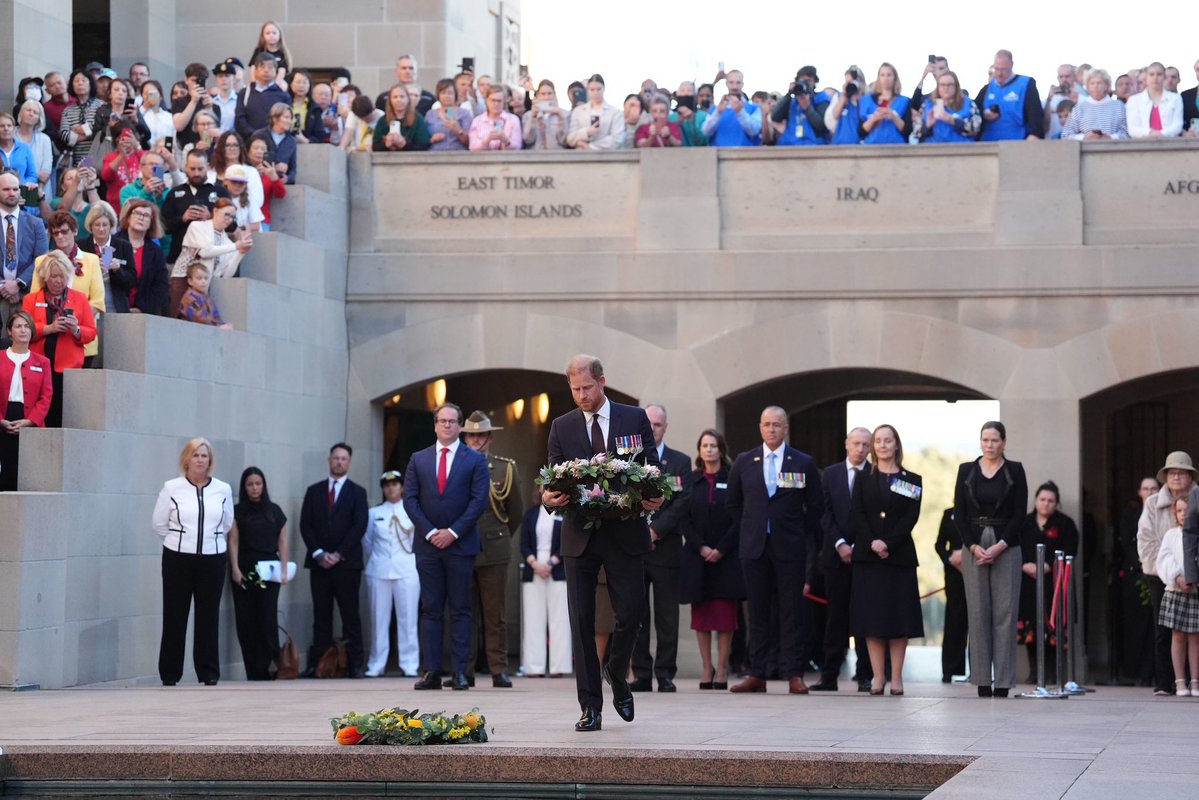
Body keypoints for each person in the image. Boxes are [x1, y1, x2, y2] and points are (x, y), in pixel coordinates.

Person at [542, 355, 662, 732]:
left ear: (602, 381)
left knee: (632, 613)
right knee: (581, 622)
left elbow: (651, 466)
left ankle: (616, 670)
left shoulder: (633, 418)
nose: (581, 396)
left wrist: (654, 495)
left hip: (625, 531)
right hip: (579, 535)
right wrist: (548, 499)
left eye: (587, 388)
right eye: (575, 390)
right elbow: (552, 476)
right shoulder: (561, 426)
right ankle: (590, 706)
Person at [726, 406, 824, 695]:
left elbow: (816, 506)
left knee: (792, 612)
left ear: (786, 429)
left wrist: (794, 529)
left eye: (777, 425)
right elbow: (732, 505)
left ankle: (794, 673)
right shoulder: (745, 462)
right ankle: (757, 672)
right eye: (767, 424)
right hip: (754, 547)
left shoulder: (802, 462)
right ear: (760, 427)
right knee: (757, 612)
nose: (771, 429)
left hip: (789, 547)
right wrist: (752, 526)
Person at [403, 403, 490, 691]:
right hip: (428, 547)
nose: (447, 426)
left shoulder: (474, 460)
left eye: (453, 421)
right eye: (442, 421)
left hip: (460, 545)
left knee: (461, 609)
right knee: (431, 609)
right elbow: (410, 500)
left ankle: (460, 673)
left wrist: (452, 532)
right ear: (435, 425)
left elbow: (478, 502)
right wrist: (430, 532)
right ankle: (431, 672)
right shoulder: (418, 459)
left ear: (460, 425)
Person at [954, 420, 1028, 697]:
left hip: (1005, 544)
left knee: (1005, 613)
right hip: (973, 542)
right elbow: (959, 513)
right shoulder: (966, 470)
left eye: (994, 440)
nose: (989, 445)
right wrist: (972, 546)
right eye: (985, 440)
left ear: (1004, 442)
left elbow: (1020, 513)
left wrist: (1000, 546)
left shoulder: (1015, 471)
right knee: (978, 611)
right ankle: (983, 679)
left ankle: (1004, 682)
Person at [151, 437, 234, 686]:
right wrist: (181, 542)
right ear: (186, 459)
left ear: (210, 461)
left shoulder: (223, 489)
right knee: (175, 614)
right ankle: (170, 673)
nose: (200, 460)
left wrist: (210, 541)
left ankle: (208, 673)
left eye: (204, 455)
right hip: (178, 558)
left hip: (213, 558)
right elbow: (159, 524)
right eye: (196, 455)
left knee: (208, 616)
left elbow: (227, 522)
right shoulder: (172, 488)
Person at [849, 425, 923, 696]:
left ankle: (896, 678)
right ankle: (878, 677)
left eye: (887, 441)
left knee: (898, 618)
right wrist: (873, 542)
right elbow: (857, 514)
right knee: (873, 620)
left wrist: (888, 543)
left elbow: (910, 517)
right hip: (869, 559)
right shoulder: (863, 478)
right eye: (877, 441)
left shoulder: (911, 480)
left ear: (896, 445)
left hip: (898, 557)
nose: (882, 445)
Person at [456, 410, 522, 687]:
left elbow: (515, 511)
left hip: (494, 547)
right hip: (461, 546)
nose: (475, 440)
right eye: (471, 435)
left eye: (480, 435)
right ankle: (465, 669)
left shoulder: (505, 468)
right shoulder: (454, 465)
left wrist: (499, 537)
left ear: (489, 438)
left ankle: (498, 669)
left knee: (496, 614)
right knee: (464, 611)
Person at [630, 404, 691, 693]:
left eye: (657, 424)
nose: (653, 428)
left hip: (665, 549)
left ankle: (665, 673)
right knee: (636, 614)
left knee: (667, 616)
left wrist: (655, 530)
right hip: (636, 549)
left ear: (665, 427)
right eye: (648, 423)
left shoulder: (680, 462)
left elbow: (682, 503)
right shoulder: (629, 460)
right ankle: (641, 672)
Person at [678, 428, 743, 691]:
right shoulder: (691, 480)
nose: (709, 450)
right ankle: (707, 668)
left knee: (725, 618)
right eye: (704, 445)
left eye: (713, 445)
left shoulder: (732, 478)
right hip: (698, 558)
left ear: (721, 449)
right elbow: (684, 517)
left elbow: (739, 516)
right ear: (699, 450)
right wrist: (702, 547)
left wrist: (722, 548)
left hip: (726, 559)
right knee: (703, 618)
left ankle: (723, 667)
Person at [299, 443, 370, 679]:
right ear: (329, 461)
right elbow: (305, 526)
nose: (339, 462)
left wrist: (339, 553)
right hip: (319, 564)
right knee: (321, 615)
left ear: (349, 463)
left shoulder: (358, 493)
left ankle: (355, 664)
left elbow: (359, 526)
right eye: (336, 458)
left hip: (347, 564)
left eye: (344, 459)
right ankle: (318, 664)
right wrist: (319, 553)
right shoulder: (314, 491)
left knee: (350, 615)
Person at [812, 427, 873, 692]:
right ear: (847, 444)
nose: (860, 449)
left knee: (864, 616)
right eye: (856, 443)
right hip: (835, 557)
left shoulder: (875, 474)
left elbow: (874, 517)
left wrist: (858, 546)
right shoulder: (830, 474)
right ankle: (829, 675)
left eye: (865, 445)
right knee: (835, 617)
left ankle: (865, 675)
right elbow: (823, 512)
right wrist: (840, 544)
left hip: (865, 557)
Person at [1137, 451, 1195, 696]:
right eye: (1172, 473)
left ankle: (1195, 681)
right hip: (1161, 577)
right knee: (1164, 630)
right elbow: (1146, 541)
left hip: (1196, 578)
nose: (1177, 477)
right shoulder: (1153, 503)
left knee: (1195, 631)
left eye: (1182, 472)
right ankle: (1166, 682)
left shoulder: (1198, 499)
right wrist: (1170, 575)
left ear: (1191, 476)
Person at [22, 251, 96, 427]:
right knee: (38, 415)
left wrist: (76, 329)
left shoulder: (79, 298)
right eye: (54, 276)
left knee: (61, 415)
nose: (58, 281)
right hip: (38, 365)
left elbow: (91, 332)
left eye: (62, 276)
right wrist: (49, 328)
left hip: (68, 369)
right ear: (44, 277)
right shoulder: (31, 299)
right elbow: (23, 329)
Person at [228, 466, 288, 680]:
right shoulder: (237, 511)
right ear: (245, 487)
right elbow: (233, 541)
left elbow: (282, 541)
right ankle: (253, 670)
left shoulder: (274, 511)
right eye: (250, 484)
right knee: (246, 620)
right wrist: (234, 568)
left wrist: (283, 569)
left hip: (269, 570)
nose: (255, 488)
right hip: (244, 569)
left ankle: (272, 664)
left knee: (267, 618)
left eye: (258, 483)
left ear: (264, 485)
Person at [1018, 480, 1080, 682]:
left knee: (1054, 627)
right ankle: (1034, 672)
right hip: (1027, 583)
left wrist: (1049, 565)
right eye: (1042, 499)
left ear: (1057, 503)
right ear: (1036, 500)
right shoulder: (1024, 523)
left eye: (1051, 501)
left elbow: (1071, 549)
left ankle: (1054, 674)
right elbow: (1014, 547)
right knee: (1031, 628)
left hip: (1055, 584)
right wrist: (1024, 565)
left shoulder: (1066, 524)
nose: (1046, 504)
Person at [363, 470, 420, 678]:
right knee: (378, 620)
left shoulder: (412, 511)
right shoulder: (374, 513)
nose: (391, 488)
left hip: (406, 569)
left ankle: (410, 663)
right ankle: (376, 664)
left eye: (395, 484)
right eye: (387, 485)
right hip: (379, 569)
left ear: (402, 487)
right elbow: (368, 542)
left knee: (408, 619)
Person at [32, 211, 105, 365]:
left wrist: (74, 322)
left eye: (64, 231)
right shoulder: (42, 261)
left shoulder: (91, 260)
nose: (59, 236)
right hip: (48, 336)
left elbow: (98, 302)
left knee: (79, 387)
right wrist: (52, 325)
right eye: (55, 233)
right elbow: (34, 299)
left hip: (80, 336)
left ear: (75, 231)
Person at [521, 486, 571, 678]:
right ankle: (534, 667)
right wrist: (535, 564)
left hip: (557, 567)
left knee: (560, 619)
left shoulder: (564, 514)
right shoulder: (531, 514)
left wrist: (551, 563)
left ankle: (559, 666)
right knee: (533, 618)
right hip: (533, 567)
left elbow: (568, 540)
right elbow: (523, 543)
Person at [0, 311, 52, 491]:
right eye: (18, 326)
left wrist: (30, 421)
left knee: (24, 475)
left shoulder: (43, 362)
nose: (23, 330)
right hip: (3, 417)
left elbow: (46, 396)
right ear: (9, 331)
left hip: (29, 419)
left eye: (27, 326)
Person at [172, 197, 252, 311]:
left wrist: (240, 253)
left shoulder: (227, 242)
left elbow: (226, 274)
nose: (229, 219)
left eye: (232, 217)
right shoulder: (197, 226)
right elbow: (205, 252)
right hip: (183, 279)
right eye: (226, 214)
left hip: (203, 285)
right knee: (177, 319)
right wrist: (236, 246)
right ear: (215, 211)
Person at [160, 149, 217, 305]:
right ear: (185, 167)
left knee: (204, 307)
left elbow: (232, 224)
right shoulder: (175, 193)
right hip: (178, 257)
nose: (197, 173)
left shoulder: (218, 191)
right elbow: (162, 227)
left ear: (208, 167)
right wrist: (183, 218)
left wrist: (210, 217)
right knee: (176, 305)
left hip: (209, 261)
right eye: (192, 169)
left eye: (200, 169)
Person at [1156, 497, 1199, 696]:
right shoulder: (1171, 535)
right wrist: (1177, 576)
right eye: (1180, 511)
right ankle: (1180, 681)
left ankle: (1195, 681)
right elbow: (1164, 558)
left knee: (1195, 637)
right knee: (1178, 636)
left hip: (1195, 592)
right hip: (1176, 590)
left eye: (1188, 511)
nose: (1184, 514)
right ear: (1175, 513)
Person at [1, 172, 49, 331]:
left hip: (25, 296)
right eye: (6, 189)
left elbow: (42, 258)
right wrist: (3, 286)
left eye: (15, 189)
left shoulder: (36, 224)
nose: (11, 193)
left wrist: (18, 284)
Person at [115, 199, 169, 316]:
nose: (141, 218)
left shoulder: (156, 251)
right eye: (137, 213)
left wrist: (142, 308)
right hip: (113, 309)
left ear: (151, 222)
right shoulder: (112, 243)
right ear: (128, 217)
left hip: (142, 314)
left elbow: (161, 285)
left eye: (146, 216)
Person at [976, 50, 1044, 140]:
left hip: (1017, 143)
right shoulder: (986, 89)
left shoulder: (1026, 84)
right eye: (996, 69)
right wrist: (984, 114)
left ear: (1011, 65)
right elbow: (973, 113)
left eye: (1003, 69)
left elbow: (1036, 115)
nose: (999, 74)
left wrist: (1034, 135)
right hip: (989, 143)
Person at [935, 507, 968, 683]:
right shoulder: (949, 514)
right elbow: (939, 544)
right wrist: (950, 558)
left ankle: (979, 671)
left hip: (977, 570)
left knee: (978, 623)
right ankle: (950, 670)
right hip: (955, 576)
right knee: (954, 621)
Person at [234, 53, 291, 142]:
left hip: (275, 142)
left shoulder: (283, 96)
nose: (266, 70)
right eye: (262, 67)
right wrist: (254, 135)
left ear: (276, 71)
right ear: (255, 70)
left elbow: (286, 121)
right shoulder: (245, 93)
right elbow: (240, 118)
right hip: (249, 142)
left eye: (270, 67)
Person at [914, 71, 981, 144]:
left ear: (956, 86)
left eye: (949, 85)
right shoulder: (927, 105)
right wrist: (928, 125)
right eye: (942, 85)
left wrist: (952, 120)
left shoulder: (968, 103)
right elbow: (916, 133)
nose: (946, 88)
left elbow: (976, 128)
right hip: (933, 150)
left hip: (961, 149)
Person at [1060, 69, 1129, 141]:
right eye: (1092, 83)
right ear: (1087, 87)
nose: (1095, 86)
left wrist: (1110, 137)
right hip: (1086, 149)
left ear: (1106, 85)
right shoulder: (1079, 108)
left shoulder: (1118, 106)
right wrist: (1084, 137)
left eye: (1099, 83)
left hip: (1113, 149)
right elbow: (1066, 135)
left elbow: (1126, 133)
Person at [704, 69, 763, 147]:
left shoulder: (753, 108)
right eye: (731, 82)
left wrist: (740, 112)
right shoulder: (715, 109)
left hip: (745, 155)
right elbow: (706, 131)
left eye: (738, 83)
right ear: (727, 84)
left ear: (742, 84)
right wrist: (717, 113)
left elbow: (754, 130)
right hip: (719, 155)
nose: (734, 86)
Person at [57, 70, 103, 167]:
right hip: (76, 158)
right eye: (76, 81)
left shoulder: (101, 106)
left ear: (91, 84)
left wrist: (77, 129)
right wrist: (89, 132)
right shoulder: (68, 110)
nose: (80, 83)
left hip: (98, 157)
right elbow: (64, 135)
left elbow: (99, 128)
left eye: (84, 80)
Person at [566, 74, 624, 150]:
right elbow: (570, 139)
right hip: (582, 158)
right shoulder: (578, 111)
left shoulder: (615, 112)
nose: (596, 92)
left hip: (606, 157)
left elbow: (617, 139)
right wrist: (586, 132)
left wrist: (590, 146)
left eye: (599, 89)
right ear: (587, 90)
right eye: (592, 89)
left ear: (604, 89)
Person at [1126, 63, 1183, 139]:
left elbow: (1177, 125)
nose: (1155, 77)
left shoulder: (1175, 98)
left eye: (1159, 74)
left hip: (1170, 145)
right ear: (1146, 78)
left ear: (1164, 77)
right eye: (1151, 74)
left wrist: (1162, 133)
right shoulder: (1134, 100)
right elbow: (1133, 129)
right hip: (1141, 146)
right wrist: (1150, 133)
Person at [858, 64, 910, 144]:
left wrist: (893, 116)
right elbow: (861, 132)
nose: (886, 78)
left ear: (894, 78)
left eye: (889, 75)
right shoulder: (866, 101)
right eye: (882, 75)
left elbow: (908, 131)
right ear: (878, 78)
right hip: (872, 148)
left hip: (896, 148)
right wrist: (874, 118)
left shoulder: (904, 101)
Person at [373, 84, 431, 152]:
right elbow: (375, 146)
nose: (399, 100)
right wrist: (386, 144)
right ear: (390, 100)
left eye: (402, 97)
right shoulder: (382, 120)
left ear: (408, 99)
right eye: (395, 97)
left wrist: (404, 144)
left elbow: (424, 146)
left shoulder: (418, 119)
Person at [246, 134, 286, 228]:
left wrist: (274, 178)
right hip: (242, 218)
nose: (259, 151)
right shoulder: (242, 169)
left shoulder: (269, 172)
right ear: (248, 151)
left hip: (262, 220)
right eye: (256, 148)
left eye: (263, 149)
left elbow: (280, 194)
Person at [252, 103, 297, 185]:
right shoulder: (259, 135)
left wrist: (287, 179)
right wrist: (274, 169)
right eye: (286, 117)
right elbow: (249, 160)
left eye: (290, 118)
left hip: (279, 184)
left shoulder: (292, 141)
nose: (289, 121)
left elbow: (293, 170)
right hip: (259, 182)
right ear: (275, 118)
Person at [467, 86, 522, 152]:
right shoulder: (477, 121)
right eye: (493, 100)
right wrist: (487, 139)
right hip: (483, 160)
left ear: (504, 102)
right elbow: (472, 147)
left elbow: (518, 146)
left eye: (499, 101)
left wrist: (506, 140)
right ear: (486, 100)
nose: (496, 104)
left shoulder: (513, 119)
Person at [177, 263, 231, 329]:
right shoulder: (189, 297)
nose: (203, 281)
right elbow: (199, 318)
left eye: (206, 278)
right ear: (190, 281)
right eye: (199, 278)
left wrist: (223, 324)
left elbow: (215, 314)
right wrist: (218, 326)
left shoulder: (206, 297)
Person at [426, 79, 471, 151]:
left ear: (455, 95)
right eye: (443, 93)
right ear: (438, 95)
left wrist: (458, 130)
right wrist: (432, 139)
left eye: (450, 93)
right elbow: (423, 139)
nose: (447, 96)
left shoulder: (464, 114)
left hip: (457, 154)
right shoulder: (430, 114)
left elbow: (470, 143)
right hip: (435, 154)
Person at [824, 68, 866, 145]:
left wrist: (859, 96)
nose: (851, 85)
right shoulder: (839, 97)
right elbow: (832, 119)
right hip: (840, 146)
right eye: (848, 82)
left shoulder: (867, 99)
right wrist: (844, 96)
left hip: (861, 147)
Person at [523, 80, 569, 150]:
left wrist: (560, 117)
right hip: (535, 157)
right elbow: (527, 139)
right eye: (543, 94)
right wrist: (532, 117)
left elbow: (565, 141)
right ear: (538, 95)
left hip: (558, 156)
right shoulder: (528, 115)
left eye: (549, 93)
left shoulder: (565, 114)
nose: (546, 97)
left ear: (554, 94)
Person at [248, 20, 293, 85]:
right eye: (268, 33)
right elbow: (253, 67)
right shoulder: (259, 51)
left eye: (274, 33)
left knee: (284, 85)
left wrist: (275, 85)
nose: (271, 36)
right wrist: (253, 81)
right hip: (260, 80)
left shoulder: (282, 53)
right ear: (263, 36)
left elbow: (282, 71)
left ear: (279, 35)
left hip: (276, 81)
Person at [670, 82, 708, 147]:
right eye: (682, 91)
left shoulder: (704, 116)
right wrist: (678, 122)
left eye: (689, 91)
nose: (685, 94)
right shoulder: (671, 117)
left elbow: (704, 140)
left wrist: (691, 120)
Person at [139, 80, 175, 148]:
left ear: (160, 96)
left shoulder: (169, 117)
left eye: (153, 93)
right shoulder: (140, 115)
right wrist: (144, 107)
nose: (149, 95)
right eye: (146, 93)